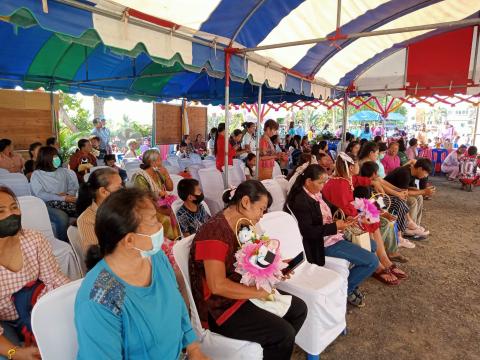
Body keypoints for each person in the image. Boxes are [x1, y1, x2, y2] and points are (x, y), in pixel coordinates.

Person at [75, 188, 207, 360]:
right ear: (130, 240)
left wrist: (194, 349)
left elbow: (177, 305)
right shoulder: (103, 293)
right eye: (153, 221)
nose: (161, 226)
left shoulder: (156, 258)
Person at [189, 181, 307, 360]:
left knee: (299, 309)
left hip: (241, 290)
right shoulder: (213, 232)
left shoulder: (244, 226)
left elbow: (255, 259)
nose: (262, 215)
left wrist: (278, 267)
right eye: (261, 209)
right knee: (283, 333)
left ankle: (273, 351)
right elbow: (217, 286)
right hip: (219, 307)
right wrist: (255, 292)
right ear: (245, 202)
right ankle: (277, 345)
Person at [285, 164, 378, 306]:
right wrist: (335, 227)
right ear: (308, 181)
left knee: (372, 245)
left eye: (324, 182)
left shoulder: (315, 193)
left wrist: (345, 217)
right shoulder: (301, 201)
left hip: (333, 235)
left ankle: (350, 281)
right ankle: (346, 289)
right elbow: (308, 232)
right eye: (320, 182)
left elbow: (331, 207)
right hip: (321, 244)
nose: (323, 186)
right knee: (372, 261)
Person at [0, 186, 69, 360]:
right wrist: (14, 352)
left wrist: (76, 296)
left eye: (14, 207)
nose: (11, 214)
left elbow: (54, 278)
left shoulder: (34, 240)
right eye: (1, 211)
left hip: (35, 310)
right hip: (4, 321)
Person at [322, 153, 406, 285]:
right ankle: (378, 265)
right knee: (371, 218)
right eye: (356, 164)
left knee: (373, 217)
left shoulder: (346, 179)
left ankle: (384, 259)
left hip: (346, 214)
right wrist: (364, 216)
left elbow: (357, 181)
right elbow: (347, 212)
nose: (358, 167)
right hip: (340, 220)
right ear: (350, 167)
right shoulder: (340, 184)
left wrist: (372, 182)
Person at [31, 146, 79, 242]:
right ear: (46, 158)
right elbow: (40, 194)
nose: (57, 158)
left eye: (57, 156)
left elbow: (72, 187)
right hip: (46, 205)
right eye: (54, 156)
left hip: (66, 202)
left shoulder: (63, 171)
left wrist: (68, 194)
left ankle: (80, 239)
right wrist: (62, 197)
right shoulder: (37, 175)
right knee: (62, 218)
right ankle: (64, 242)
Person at [132, 149, 180, 241]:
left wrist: (166, 174)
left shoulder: (158, 173)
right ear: (152, 162)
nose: (161, 162)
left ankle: (175, 242)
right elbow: (144, 199)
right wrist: (160, 209)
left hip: (160, 204)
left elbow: (170, 188)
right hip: (147, 208)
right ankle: (166, 244)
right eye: (159, 160)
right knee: (166, 219)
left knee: (176, 214)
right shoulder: (141, 176)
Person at [76, 167, 123, 255]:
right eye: (118, 188)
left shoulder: (121, 207)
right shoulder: (87, 220)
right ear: (103, 191)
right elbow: (95, 257)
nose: (122, 189)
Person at [384, 159, 435, 237]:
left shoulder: (412, 172)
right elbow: (404, 193)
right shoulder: (405, 173)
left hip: (397, 193)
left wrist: (422, 191)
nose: (426, 176)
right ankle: (408, 228)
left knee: (419, 197)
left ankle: (416, 224)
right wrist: (424, 191)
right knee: (412, 201)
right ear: (420, 169)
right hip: (387, 195)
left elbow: (408, 188)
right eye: (426, 173)